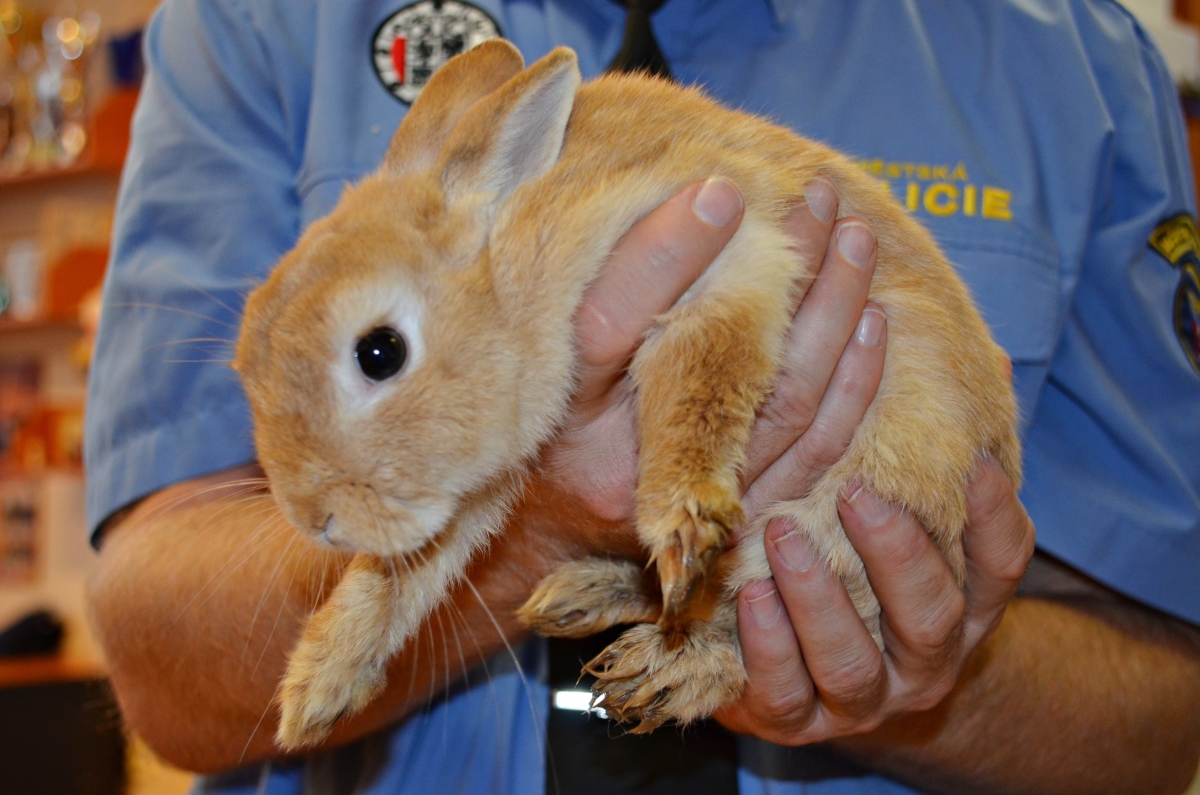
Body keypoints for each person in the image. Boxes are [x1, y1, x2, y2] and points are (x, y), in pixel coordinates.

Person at [85, 0, 1200, 793]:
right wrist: (547, 526)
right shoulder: (251, 24)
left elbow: (1161, 724)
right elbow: (155, 662)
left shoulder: (1081, 56)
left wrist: (927, 678)